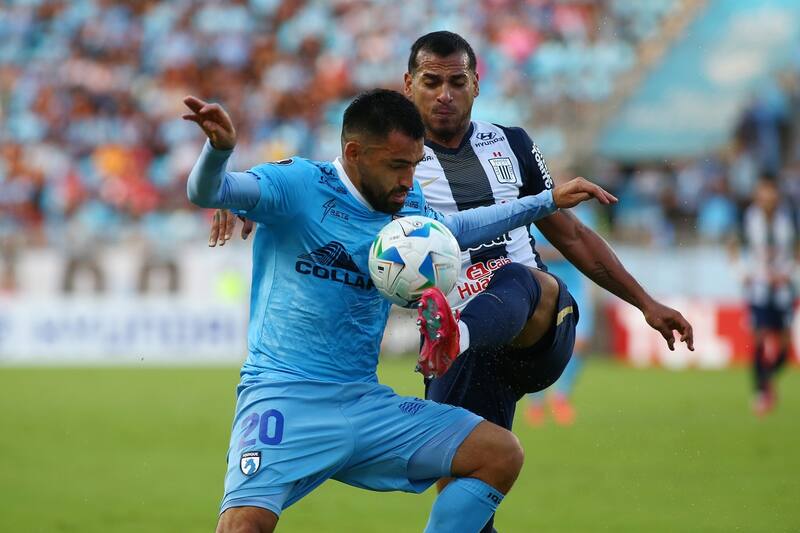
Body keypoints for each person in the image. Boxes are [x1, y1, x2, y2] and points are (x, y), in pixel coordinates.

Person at [210, 31, 694, 533]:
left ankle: (456, 333)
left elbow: (569, 234)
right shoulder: (384, 164)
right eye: (431, 81)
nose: (444, 94)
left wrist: (645, 302)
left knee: (510, 275)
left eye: (456, 82)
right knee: (477, 482)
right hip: (452, 344)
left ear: (476, 84)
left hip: (528, 321)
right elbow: (313, 192)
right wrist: (244, 199)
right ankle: (454, 338)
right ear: (408, 84)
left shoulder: (513, 144)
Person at [524, 203, 597, 426]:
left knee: (581, 343)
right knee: (536, 343)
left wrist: (561, 250)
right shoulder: (536, 212)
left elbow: (589, 248)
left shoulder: (584, 215)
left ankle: (561, 396)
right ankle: (536, 402)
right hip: (546, 286)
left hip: (574, 285)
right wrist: (566, 249)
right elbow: (531, 247)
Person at [731, 177, 798, 416]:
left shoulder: (788, 218)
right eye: (762, 193)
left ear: (776, 195)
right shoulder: (749, 218)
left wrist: (789, 273)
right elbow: (733, 247)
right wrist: (742, 273)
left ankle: (767, 381)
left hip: (783, 290)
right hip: (758, 288)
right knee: (758, 339)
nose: (767, 198)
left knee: (784, 347)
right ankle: (760, 392)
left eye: (770, 193)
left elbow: (797, 250)